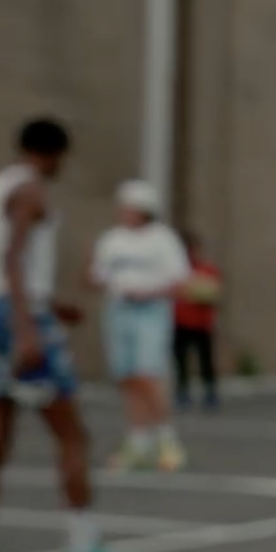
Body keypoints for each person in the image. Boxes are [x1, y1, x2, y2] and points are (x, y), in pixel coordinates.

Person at [0, 119, 141, 552]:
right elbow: (15, 258)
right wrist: (28, 326)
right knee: (73, 436)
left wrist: (37, 305)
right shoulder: (32, 191)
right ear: (52, 153)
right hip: (20, 318)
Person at [89, 180, 192, 472]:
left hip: (151, 311)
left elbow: (180, 281)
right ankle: (138, 441)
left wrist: (149, 292)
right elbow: (99, 275)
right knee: (128, 377)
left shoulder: (162, 239)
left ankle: (167, 440)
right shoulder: (112, 239)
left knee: (148, 375)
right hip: (118, 309)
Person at [172, 228, 224, 413]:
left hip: (201, 323)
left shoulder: (207, 269)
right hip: (180, 323)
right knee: (180, 360)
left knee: (206, 360)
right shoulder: (177, 272)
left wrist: (194, 291)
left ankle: (210, 392)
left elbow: (212, 292)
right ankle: (182, 391)